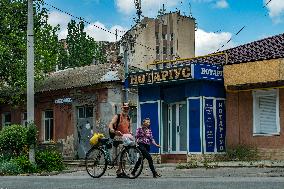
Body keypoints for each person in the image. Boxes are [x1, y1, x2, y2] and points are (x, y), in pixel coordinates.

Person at [108, 102, 132, 178]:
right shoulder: (117, 116)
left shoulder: (129, 118)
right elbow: (111, 123)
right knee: (122, 156)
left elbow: (129, 128)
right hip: (118, 138)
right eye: (124, 108)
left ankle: (120, 171)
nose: (126, 110)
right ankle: (121, 171)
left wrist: (131, 132)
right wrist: (112, 129)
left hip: (126, 138)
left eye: (127, 108)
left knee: (124, 155)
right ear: (121, 108)